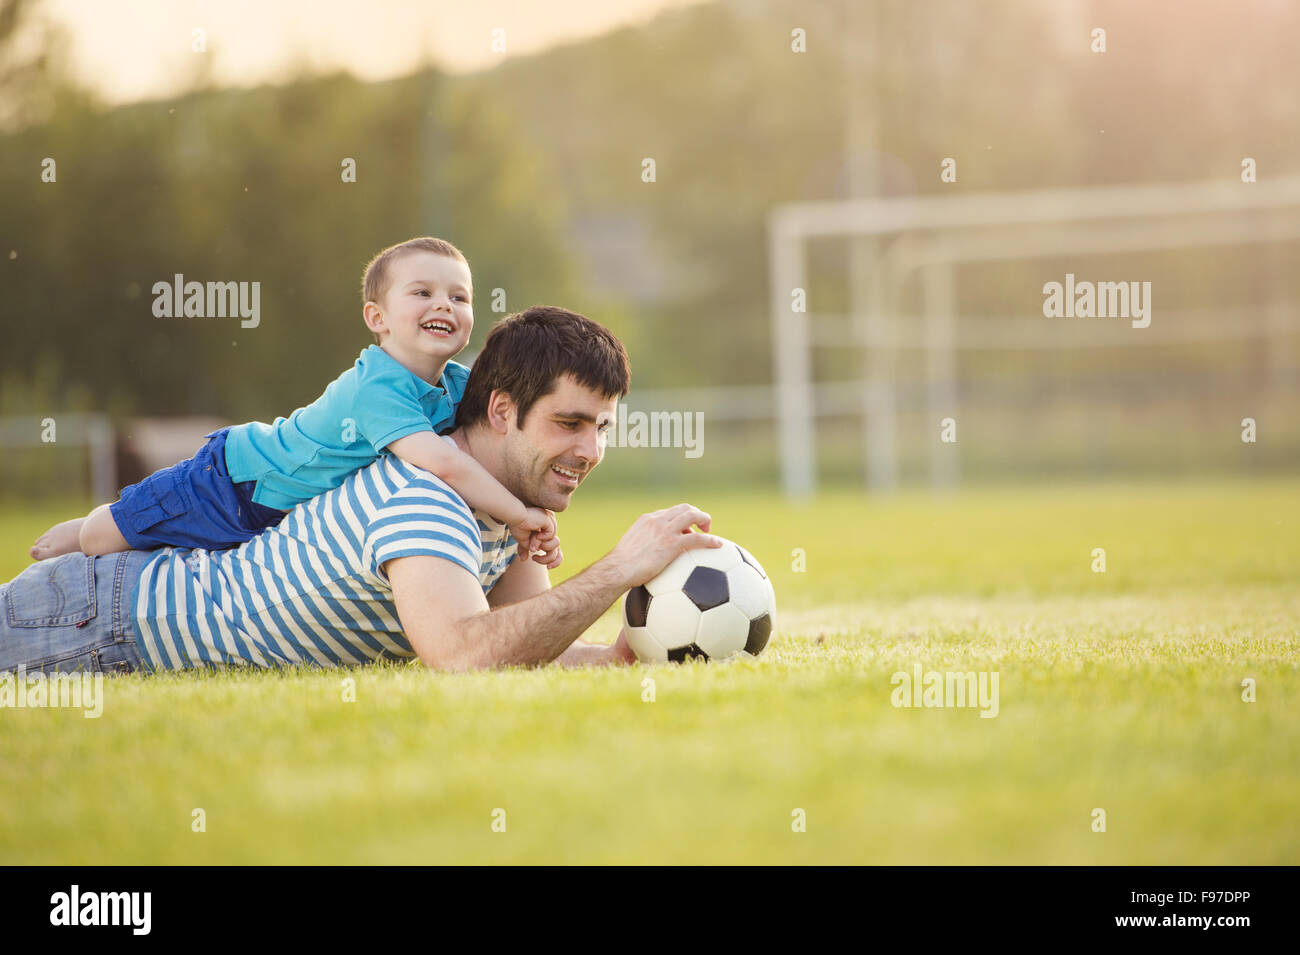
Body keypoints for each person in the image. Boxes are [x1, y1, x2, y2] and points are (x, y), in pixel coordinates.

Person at [0, 307, 722, 675]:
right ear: (501, 411)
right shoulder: (428, 494)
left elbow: (521, 636)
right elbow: (465, 656)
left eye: (601, 427)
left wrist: (618, 655)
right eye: (570, 423)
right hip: (101, 621)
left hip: (108, 615)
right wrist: (623, 565)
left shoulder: (506, 514)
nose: (590, 450)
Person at [29, 236, 560, 569]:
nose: (443, 303)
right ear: (377, 318)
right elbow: (445, 462)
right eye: (421, 292)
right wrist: (518, 515)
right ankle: (69, 536)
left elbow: (498, 430)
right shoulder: (378, 386)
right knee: (110, 536)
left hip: (277, 515)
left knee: (178, 566)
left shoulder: (456, 384)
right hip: (233, 480)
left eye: (459, 296)